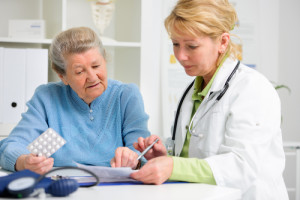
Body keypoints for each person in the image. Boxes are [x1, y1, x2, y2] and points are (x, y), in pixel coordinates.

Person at [111, 0, 288, 199]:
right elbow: (193, 160)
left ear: (222, 42)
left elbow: (241, 166)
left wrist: (174, 166)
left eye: (192, 46)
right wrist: (165, 158)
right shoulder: (192, 90)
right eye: (175, 44)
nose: (180, 55)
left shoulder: (252, 89)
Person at [0, 27, 150, 174]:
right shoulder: (47, 98)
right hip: (61, 187)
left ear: (104, 60)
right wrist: (24, 162)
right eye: (79, 71)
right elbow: (10, 146)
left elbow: (142, 153)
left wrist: (133, 159)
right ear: (62, 76)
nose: (92, 77)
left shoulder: (126, 96)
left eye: (96, 65)